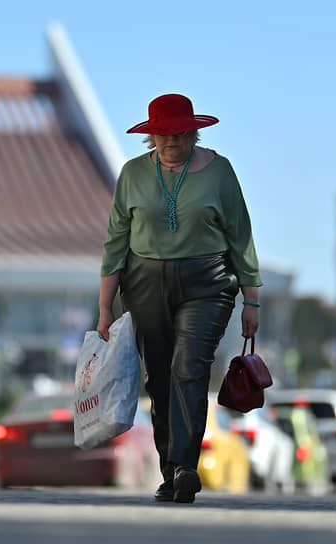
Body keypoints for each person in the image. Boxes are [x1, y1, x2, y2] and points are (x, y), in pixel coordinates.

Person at [97, 93, 261, 503]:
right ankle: (170, 468)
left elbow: (240, 234)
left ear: (194, 132)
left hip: (208, 283)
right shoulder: (132, 173)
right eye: (163, 135)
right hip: (145, 282)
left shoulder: (220, 171)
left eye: (180, 133)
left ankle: (186, 466)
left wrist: (252, 299)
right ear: (150, 137)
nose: (171, 142)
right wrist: (105, 305)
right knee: (160, 375)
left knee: (190, 367)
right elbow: (116, 240)